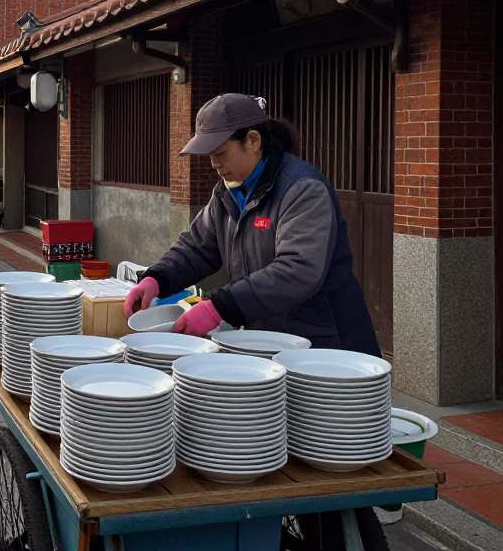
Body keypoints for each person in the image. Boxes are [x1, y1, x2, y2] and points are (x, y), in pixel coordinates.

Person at [123, 93, 381, 357]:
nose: (214, 163)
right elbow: (197, 248)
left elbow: (298, 270)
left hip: (327, 348)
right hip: (268, 343)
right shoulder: (226, 193)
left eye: (221, 152)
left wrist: (222, 307)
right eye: (210, 154)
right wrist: (158, 277)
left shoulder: (302, 189)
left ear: (253, 141)